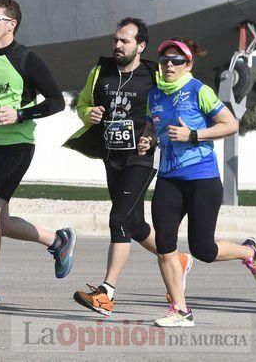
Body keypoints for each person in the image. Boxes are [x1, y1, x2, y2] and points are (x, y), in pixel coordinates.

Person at [65, 18, 193, 316]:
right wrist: (89, 114)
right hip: (112, 156)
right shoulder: (101, 71)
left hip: (141, 158)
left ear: (141, 46)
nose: (118, 46)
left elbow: (172, 103)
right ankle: (179, 260)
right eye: (116, 40)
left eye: (125, 41)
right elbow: (83, 104)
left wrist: (157, 134)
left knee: (119, 218)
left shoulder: (153, 74)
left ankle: (106, 293)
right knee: (134, 225)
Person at [0, 0, 74, 309]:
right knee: (0, 222)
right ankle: (56, 241)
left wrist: (20, 114)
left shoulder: (26, 58)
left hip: (17, 145)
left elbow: (56, 102)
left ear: (12, 24)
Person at [139, 36, 256, 327]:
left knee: (203, 249)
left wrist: (193, 135)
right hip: (168, 178)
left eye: (176, 60)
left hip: (201, 179)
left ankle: (250, 251)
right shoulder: (155, 95)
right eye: (165, 60)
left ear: (188, 64)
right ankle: (180, 310)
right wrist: (148, 139)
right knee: (165, 245)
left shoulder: (199, 91)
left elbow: (230, 124)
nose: (169, 65)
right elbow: (150, 125)